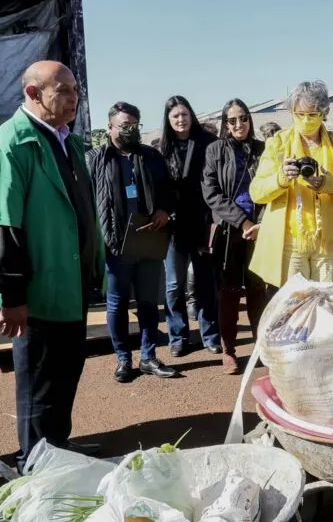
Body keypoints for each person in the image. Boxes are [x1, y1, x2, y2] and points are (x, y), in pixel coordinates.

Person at [0, 61, 104, 470]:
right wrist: (13, 295)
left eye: (74, 88)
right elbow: (6, 225)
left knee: (66, 371)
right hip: (40, 289)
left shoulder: (69, 141)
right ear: (32, 94)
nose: (73, 95)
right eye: (62, 89)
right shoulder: (13, 144)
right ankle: (35, 463)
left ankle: (57, 447)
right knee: (38, 380)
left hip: (72, 281)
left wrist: (94, 265)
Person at [87, 102, 177, 382]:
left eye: (135, 125)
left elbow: (169, 191)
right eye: (125, 125)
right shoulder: (95, 159)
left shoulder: (151, 156)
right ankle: (123, 359)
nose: (130, 129)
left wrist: (164, 210)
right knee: (117, 304)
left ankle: (148, 357)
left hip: (149, 239)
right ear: (110, 126)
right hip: (115, 244)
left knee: (149, 303)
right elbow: (87, 201)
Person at [249, 81, 333, 287]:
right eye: (298, 114)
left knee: (325, 301)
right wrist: (281, 178)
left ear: (324, 112)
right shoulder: (277, 143)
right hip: (291, 241)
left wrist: (329, 183)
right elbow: (256, 193)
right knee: (295, 303)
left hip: (329, 242)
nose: (305, 120)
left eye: (312, 114)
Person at [203, 99, 269, 374]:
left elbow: (273, 188)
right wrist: (243, 222)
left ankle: (260, 347)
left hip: (261, 231)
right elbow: (211, 192)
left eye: (243, 118)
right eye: (232, 120)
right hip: (231, 231)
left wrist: (261, 223)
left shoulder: (262, 149)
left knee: (258, 291)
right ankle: (228, 350)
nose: (239, 124)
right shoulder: (215, 151)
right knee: (229, 293)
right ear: (225, 124)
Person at [158, 96, 221, 356]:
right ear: (168, 120)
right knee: (174, 285)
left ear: (191, 115)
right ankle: (178, 336)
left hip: (203, 222)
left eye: (184, 114)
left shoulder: (209, 144)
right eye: (175, 116)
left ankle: (210, 335)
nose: (180, 120)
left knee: (206, 282)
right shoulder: (161, 148)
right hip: (173, 226)